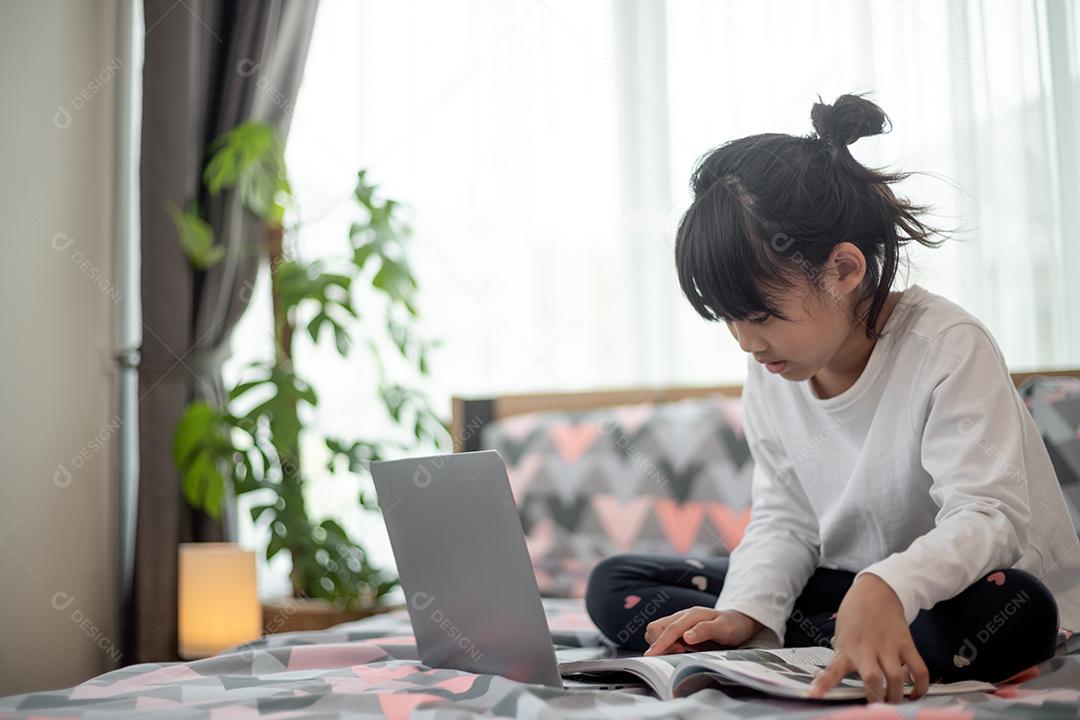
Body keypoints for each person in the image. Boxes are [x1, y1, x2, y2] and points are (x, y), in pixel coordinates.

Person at [584, 93, 1080, 704]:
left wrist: (888, 585)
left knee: (1018, 608)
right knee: (616, 582)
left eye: (762, 313)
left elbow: (990, 518)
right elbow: (784, 517)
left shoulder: (947, 346)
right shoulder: (775, 368)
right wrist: (743, 612)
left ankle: (846, 631)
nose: (746, 342)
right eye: (729, 320)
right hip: (846, 587)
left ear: (844, 269)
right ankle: (822, 637)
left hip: (974, 585)